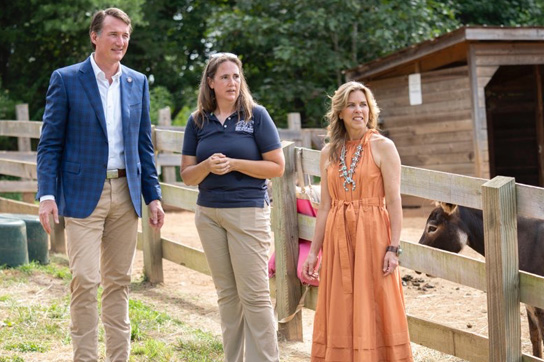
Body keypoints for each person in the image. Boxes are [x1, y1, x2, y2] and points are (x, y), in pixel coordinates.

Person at [36, 8, 164, 361]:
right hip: (81, 195)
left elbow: (143, 146)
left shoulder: (136, 81)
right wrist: (47, 193)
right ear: (95, 36)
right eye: (113, 34)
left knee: (119, 282)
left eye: (125, 35)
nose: (120, 41)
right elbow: (49, 143)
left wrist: (153, 196)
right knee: (85, 280)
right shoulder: (66, 79)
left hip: (126, 195)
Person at [180, 52, 284, 362]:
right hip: (208, 214)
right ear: (210, 82)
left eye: (236, 76)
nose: (232, 82)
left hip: (247, 213)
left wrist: (235, 163)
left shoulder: (256, 116)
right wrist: (208, 167)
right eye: (224, 77)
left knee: (255, 296)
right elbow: (187, 175)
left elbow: (276, 167)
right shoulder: (197, 120)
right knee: (227, 297)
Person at [302, 81, 413, 361]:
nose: (358, 110)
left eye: (363, 104)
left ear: (370, 110)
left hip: (373, 235)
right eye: (351, 104)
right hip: (339, 236)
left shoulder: (383, 147)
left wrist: (394, 247)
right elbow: (325, 206)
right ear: (340, 112)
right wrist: (314, 252)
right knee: (342, 303)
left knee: (374, 302)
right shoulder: (328, 153)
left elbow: (394, 201)